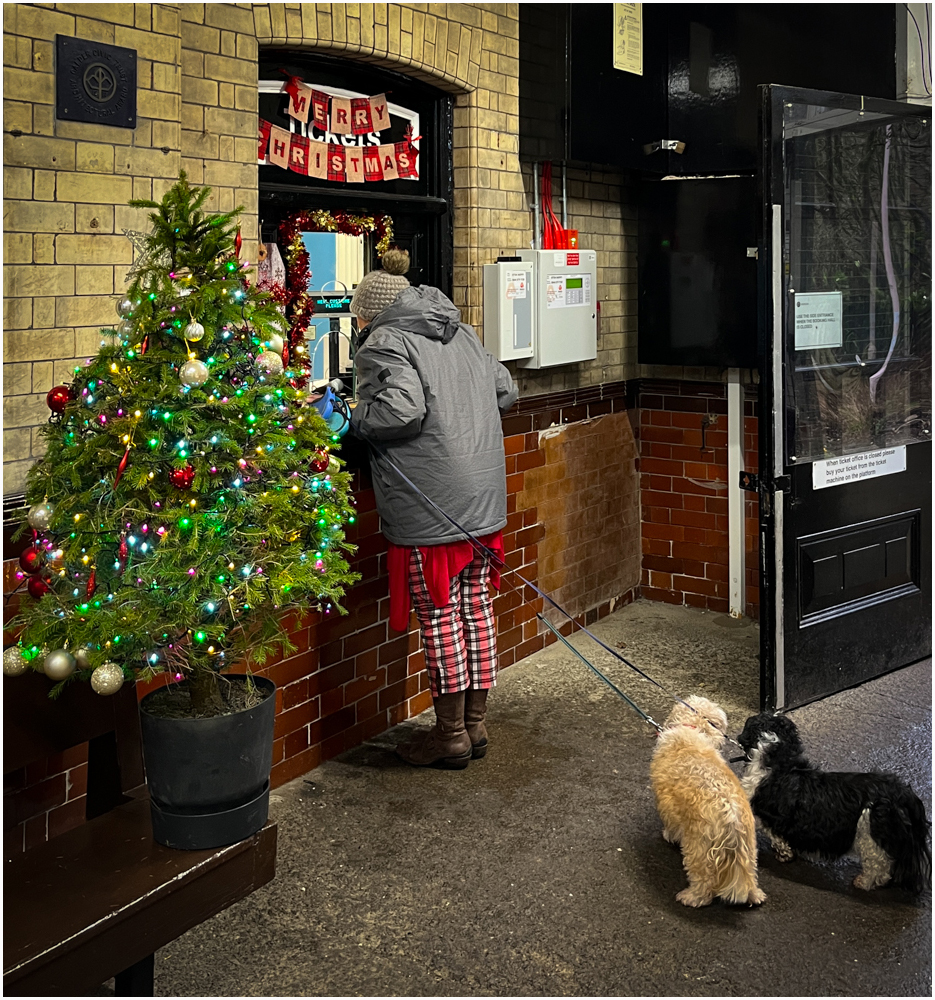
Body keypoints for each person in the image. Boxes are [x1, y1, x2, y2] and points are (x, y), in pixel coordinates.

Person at [349, 248, 518, 769]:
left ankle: (448, 736)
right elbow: (506, 388)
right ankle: (475, 725)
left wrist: (354, 415)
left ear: (367, 314)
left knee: (441, 617)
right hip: (482, 499)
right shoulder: (458, 330)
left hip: (431, 505)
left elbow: (401, 407)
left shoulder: (383, 340)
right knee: (476, 610)